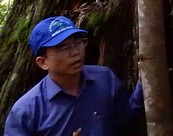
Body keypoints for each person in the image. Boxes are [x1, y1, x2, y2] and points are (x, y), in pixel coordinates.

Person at [4, 15, 143, 136]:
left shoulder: (104, 78)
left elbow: (127, 120)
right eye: (63, 48)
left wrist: (145, 82)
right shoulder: (26, 111)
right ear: (43, 62)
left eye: (78, 42)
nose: (75, 52)